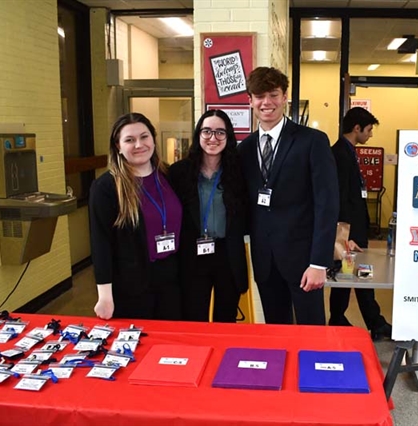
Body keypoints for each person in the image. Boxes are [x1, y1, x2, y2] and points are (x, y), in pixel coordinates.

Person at [238, 67, 339, 325]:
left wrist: (319, 262)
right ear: (250, 101)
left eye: (273, 94)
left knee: (311, 331)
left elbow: (327, 204)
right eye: (259, 96)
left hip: (305, 261)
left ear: (285, 97)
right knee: (276, 331)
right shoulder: (245, 149)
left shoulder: (312, 141)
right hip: (265, 260)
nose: (266, 102)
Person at [89, 112, 182, 320]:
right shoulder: (106, 187)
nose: (139, 144)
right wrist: (104, 296)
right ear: (118, 146)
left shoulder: (169, 176)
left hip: (172, 283)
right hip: (131, 288)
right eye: (129, 140)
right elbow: (100, 243)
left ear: (153, 139)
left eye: (144, 136)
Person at [168, 110, 249, 322]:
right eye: (207, 131)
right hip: (192, 255)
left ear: (228, 136)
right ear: (198, 135)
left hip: (227, 254)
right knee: (194, 317)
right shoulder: (179, 172)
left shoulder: (239, 172)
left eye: (220, 132)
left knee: (226, 318)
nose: (213, 138)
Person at [329, 107, 392, 340]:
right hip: (349, 232)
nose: (371, 135)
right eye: (369, 130)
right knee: (352, 275)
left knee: (357, 275)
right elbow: (340, 196)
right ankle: (353, 320)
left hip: (353, 228)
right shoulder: (339, 155)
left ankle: (356, 320)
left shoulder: (349, 152)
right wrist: (345, 236)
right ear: (357, 129)